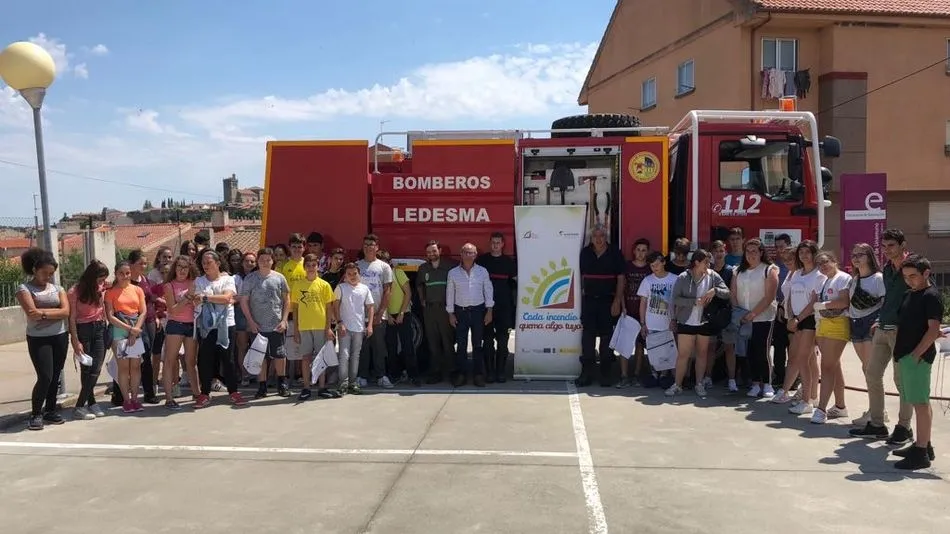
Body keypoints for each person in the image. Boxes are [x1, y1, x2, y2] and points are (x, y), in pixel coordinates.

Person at [850, 229, 915, 444]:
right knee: (872, 373)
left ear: (902, 245)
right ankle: (877, 424)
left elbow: (921, 297)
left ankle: (904, 427)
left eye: (892, 246)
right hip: (882, 328)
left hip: (902, 331)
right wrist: (879, 319)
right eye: (884, 246)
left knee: (901, 380)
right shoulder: (887, 269)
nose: (887, 250)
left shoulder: (913, 267)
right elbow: (889, 298)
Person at [890, 255, 943, 470]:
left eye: (913, 276)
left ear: (926, 273)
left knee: (920, 404)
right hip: (907, 354)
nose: (909, 280)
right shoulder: (910, 294)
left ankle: (920, 451)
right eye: (905, 276)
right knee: (920, 401)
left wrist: (916, 354)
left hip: (917, 357)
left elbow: (933, 329)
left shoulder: (931, 296)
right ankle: (924, 444)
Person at [16, 248, 70, 430]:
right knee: (45, 376)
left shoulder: (58, 288)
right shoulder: (24, 289)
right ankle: (36, 413)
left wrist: (43, 313)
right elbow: (31, 314)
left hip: (60, 337)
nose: (48, 276)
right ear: (34, 270)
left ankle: (51, 410)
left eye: (51, 273)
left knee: (56, 375)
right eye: (44, 273)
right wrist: (53, 313)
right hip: (39, 339)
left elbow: (66, 312)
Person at [668, 249, 730, 398]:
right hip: (686, 320)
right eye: (706, 262)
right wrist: (693, 302)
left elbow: (726, 292)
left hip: (705, 320)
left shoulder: (712, 276)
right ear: (696, 262)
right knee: (683, 354)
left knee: (702, 354)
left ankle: (699, 384)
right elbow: (674, 299)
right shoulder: (683, 277)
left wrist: (715, 291)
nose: (708, 265)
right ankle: (677, 384)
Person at [773, 240, 825, 414]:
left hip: (810, 320)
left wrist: (798, 319)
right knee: (806, 359)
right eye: (801, 252)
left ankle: (807, 401)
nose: (804, 256)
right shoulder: (797, 274)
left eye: (807, 252)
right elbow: (790, 298)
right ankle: (810, 397)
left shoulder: (819, 274)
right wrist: (791, 317)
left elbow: (814, 301)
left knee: (803, 358)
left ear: (814, 253)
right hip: (797, 320)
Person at [194, 250, 246, 407]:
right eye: (203, 262)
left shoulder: (228, 280)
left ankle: (234, 392)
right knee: (205, 359)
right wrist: (210, 299)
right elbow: (197, 300)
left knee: (228, 359)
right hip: (207, 326)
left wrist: (206, 298)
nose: (205, 265)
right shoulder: (199, 281)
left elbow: (227, 298)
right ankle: (204, 394)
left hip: (227, 324)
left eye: (209, 262)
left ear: (218, 263)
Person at [577, 225, 625, 387]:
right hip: (589, 301)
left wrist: (617, 301)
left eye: (602, 236)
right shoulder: (585, 252)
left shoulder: (615, 253)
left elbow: (620, 278)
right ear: (591, 238)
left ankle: (605, 373)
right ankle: (587, 373)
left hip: (608, 301)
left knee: (607, 337)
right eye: (595, 236)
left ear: (606, 237)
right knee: (587, 337)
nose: (598, 239)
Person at [241, 248, 292, 399]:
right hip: (257, 326)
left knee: (279, 355)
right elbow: (244, 301)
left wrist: (284, 320)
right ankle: (262, 386)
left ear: (272, 261)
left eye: (268, 259)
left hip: (276, 324)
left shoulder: (279, 278)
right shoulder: (250, 279)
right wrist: (251, 322)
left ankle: (281, 383)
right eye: (262, 259)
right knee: (260, 356)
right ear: (258, 261)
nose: (265, 262)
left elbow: (287, 299)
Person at [731, 238, 779, 398]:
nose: (751, 254)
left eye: (754, 251)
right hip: (744, 319)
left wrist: (752, 314)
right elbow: (733, 293)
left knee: (762, 351)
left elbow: (769, 297)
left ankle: (767, 383)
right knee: (749, 352)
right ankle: (755, 383)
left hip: (763, 318)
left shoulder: (769, 270)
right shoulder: (738, 271)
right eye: (748, 251)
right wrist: (740, 313)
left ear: (761, 253)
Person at [846, 243, 886, 427]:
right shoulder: (855, 280)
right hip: (855, 324)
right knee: (865, 368)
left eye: (860, 254)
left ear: (869, 256)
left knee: (872, 371)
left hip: (871, 324)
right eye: (854, 254)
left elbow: (885, 303)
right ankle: (875, 409)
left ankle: (876, 412)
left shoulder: (878, 278)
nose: (856, 258)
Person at [810, 251, 852, 424]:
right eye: (820, 264)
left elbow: (844, 301)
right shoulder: (826, 280)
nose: (823, 266)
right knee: (834, 366)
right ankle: (840, 406)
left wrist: (823, 304)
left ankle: (821, 409)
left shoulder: (843, 278)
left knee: (826, 366)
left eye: (825, 262)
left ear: (834, 261)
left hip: (838, 324)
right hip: (823, 324)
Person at [446, 243, 494, 387]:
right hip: (460, 312)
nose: (468, 255)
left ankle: (478, 375)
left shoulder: (482, 271)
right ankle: (461, 374)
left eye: (471, 252)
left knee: (478, 345)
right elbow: (449, 293)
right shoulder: (453, 273)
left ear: (475, 255)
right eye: (466, 252)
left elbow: (488, 291)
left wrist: (489, 311)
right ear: (461, 254)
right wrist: (450, 313)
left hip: (478, 311)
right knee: (461, 345)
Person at [68, 260, 110, 420]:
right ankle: (82, 405)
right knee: (87, 368)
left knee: (97, 367)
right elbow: (71, 318)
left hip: (100, 328)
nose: (102, 282)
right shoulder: (75, 291)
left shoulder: (102, 287)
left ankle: (88, 402)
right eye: (100, 279)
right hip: (83, 329)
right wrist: (75, 340)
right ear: (91, 277)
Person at [292, 253, 338, 400]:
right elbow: (296, 309)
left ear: (318, 266)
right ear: (304, 267)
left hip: (321, 326)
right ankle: (306, 387)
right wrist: (296, 330)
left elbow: (329, 307)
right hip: (304, 327)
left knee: (321, 358)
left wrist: (328, 327)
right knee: (305, 358)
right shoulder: (298, 285)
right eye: (308, 265)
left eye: (314, 265)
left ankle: (322, 387)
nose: (311, 268)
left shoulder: (324, 285)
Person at [104, 261, 147, 413]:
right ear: (116, 274)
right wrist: (129, 329)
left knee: (135, 367)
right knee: (123, 368)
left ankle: (135, 398)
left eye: (127, 273)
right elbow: (110, 316)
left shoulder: (137, 290)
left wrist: (136, 329)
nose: (125, 276)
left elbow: (143, 311)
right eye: (121, 273)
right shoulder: (110, 293)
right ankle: (126, 400)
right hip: (119, 331)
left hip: (136, 330)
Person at [476, 232, 517, 384]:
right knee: (487, 342)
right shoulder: (482, 261)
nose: (495, 245)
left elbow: (515, 283)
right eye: (493, 242)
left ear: (503, 244)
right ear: (489, 243)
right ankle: (490, 373)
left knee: (502, 342)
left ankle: (500, 372)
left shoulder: (508, 262)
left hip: (504, 308)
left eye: (498, 242)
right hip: (486, 308)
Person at [161, 255, 200, 410]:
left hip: (192, 324)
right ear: (174, 268)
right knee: (170, 360)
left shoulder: (194, 283)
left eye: (185, 267)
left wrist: (194, 298)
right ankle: (169, 397)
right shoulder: (169, 286)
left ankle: (197, 393)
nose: (182, 270)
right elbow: (173, 309)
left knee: (191, 362)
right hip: (175, 325)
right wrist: (187, 298)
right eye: (179, 267)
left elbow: (198, 303)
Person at [417, 240, 457, 384]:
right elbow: (420, 285)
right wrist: (422, 300)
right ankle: (436, 372)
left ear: (439, 250)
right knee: (432, 342)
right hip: (429, 309)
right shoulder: (423, 268)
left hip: (445, 309)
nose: (431, 254)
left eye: (434, 251)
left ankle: (452, 371)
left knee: (448, 341)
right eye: (428, 252)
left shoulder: (450, 266)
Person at [357, 233, 394, 388]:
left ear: (377, 247)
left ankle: (381, 376)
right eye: (365, 244)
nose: (368, 247)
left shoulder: (384, 267)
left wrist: (380, 313)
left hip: (379, 314)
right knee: (363, 347)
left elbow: (387, 291)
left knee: (379, 346)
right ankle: (362, 376)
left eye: (371, 245)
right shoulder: (357, 265)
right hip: (359, 315)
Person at [635, 251, 678, 385]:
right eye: (652, 266)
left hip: (668, 323)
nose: (655, 268)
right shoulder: (647, 280)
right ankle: (654, 374)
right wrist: (642, 323)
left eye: (657, 265)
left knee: (667, 351)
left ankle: (664, 375)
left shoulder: (675, 279)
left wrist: (674, 319)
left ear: (664, 262)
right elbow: (643, 303)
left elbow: (677, 303)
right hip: (651, 323)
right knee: (653, 351)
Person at [378, 250, 420, 386]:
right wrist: (388, 314)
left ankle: (413, 375)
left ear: (389, 262)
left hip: (403, 314)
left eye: (385, 262)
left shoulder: (398, 273)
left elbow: (408, 293)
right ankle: (394, 374)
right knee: (391, 347)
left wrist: (401, 313)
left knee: (408, 346)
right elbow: (379, 298)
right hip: (388, 315)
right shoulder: (378, 278)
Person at [334, 263, 375, 395]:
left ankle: (352, 382)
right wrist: (339, 322)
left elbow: (370, 307)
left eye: (354, 274)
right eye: (349, 274)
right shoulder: (340, 288)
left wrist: (369, 325)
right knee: (344, 355)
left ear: (359, 274)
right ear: (345, 275)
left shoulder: (364, 289)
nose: (352, 276)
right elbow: (335, 306)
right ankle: (343, 383)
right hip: (344, 327)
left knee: (355, 355)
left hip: (359, 327)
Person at [617, 238, 652, 388]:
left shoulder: (650, 269)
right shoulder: (627, 266)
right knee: (625, 344)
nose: (640, 253)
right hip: (628, 311)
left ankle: (637, 375)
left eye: (644, 250)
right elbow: (622, 288)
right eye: (638, 250)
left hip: (643, 313)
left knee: (639, 345)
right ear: (633, 251)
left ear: (647, 252)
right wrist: (623, 307)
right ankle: (624, 376)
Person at [771, 233, 795, 387]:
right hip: (778, 313)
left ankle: (794, 379)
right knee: (779, 347)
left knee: (793, 348)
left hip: (795, 313)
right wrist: (779, 306)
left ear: (788, 244)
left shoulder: (797, 266)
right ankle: (779, 377)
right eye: (777, 247)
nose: (779, 250)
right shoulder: (774, 266)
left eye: (782, 246)